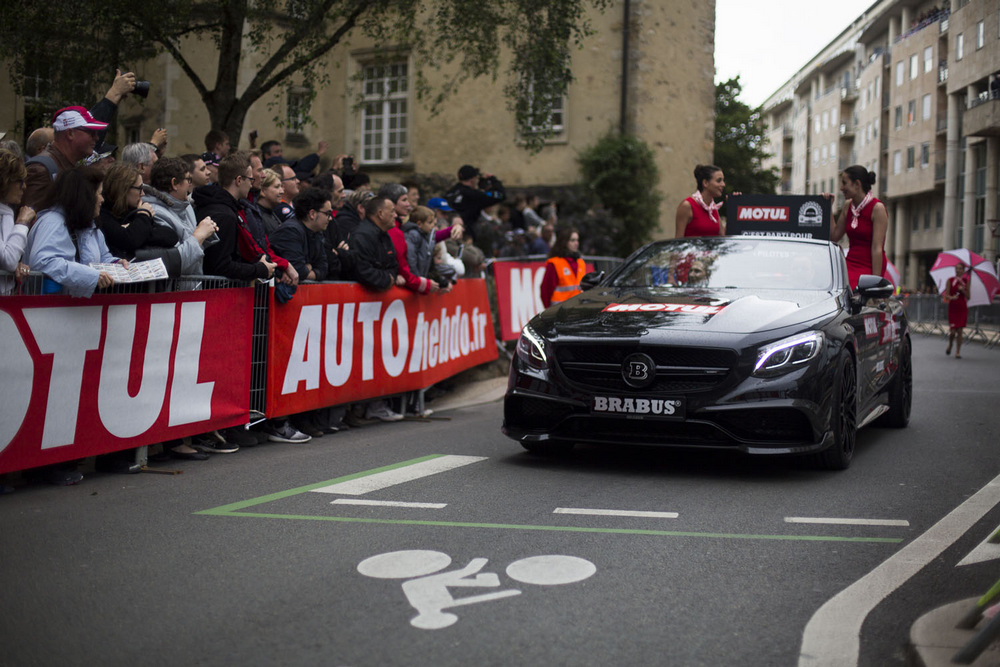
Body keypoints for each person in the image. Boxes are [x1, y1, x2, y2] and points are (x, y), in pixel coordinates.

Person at [24, 166, 121, 298]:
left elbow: (102, 257)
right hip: (49, 306)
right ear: (85, 196)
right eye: (98, 193)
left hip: (75, 306)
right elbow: (43, 261)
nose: (102, 199)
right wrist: (90, 275)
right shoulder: (52, 223)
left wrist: (116, 264)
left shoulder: (89, 225)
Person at [142, 156, 219, 276]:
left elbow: (190, 244)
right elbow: (174, 263)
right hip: (173, 287)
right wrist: (199, 235)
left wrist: (206, 233)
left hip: (192, 285)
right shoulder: (154, 213)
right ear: (174, 184)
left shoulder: (186, 206)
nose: (189, 184)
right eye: (188, 179)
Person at [23, 107, 108, 209]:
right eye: (91, 132)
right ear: (70, 133)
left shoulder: (66, 165)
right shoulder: (41, 169)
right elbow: (29, 215)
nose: (96, 138)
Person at [97, 163, 179, 267]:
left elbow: (171, 236)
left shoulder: (133, 210)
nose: (143, 193)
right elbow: (129, 240)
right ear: (124, 189)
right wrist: (143, 216)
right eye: (139, 188)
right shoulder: (102, 214)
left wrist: (136, 231)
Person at [830, 165, 889, 289]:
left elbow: (877, 248)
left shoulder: (877, 208)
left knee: (856, 293)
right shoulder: (847, 206)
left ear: (857, 184)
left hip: (870, 265)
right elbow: (834, 236)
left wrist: (875, 285)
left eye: (844, 183)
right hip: (850, 262)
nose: (841, 188)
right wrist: (828, 208)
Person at [0, 150, 34, 294]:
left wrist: (18, 266)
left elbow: (7, 260)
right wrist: (22, 223)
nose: (24, 186)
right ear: (5, 181)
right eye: (20, 181)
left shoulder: (6, 212)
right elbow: (8, 259)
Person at [444, 165, 505, 241]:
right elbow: (501, 195)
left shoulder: (450, 193)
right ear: (472, 180)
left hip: (448, 232)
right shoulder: (474, 195)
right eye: (477, 178)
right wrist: (492, 179)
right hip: (465, 235)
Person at [540, 227, 586, 307]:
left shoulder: (581, 263)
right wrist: (549, 310)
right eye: (572, 240)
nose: (576, 243)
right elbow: (546, 290)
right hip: (559, 309)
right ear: (564, 242)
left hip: (577, 308)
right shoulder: (554, 263)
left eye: (577, 240)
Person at [675, 164, 726, 237]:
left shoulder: (713, 209)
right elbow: (678, 240)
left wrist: (734, 206)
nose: (723, 184)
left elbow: (723, 237)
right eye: (719, 181)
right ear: (705, 183)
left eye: (723, 181)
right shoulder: (687, 206)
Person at [944, 263, 971, 358]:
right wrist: (952, 297)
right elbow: (946, 295)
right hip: (953, 307)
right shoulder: (950, 280)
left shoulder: (966, 281)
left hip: (962, 307)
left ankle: (957, 352)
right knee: (952, 332)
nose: (958, 270)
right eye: (957, 268)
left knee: (960, 331)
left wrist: (962, 290)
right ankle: (950, 344)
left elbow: (968, 296)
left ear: (963, 270)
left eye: (960, 269)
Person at [257, 168, 286, 236]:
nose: (282, 191)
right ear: (263, 191)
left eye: (281, 187)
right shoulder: (258, 218)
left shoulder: (270, 213)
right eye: (277, 187)